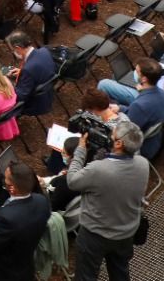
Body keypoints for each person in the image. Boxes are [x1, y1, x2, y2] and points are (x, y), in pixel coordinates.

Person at [66, 118, 149, 281]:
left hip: (94, 235)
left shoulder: (99, 169)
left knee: (86, 276)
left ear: (119, 144)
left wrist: (81, 150)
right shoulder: (143, 164)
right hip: (126, 232)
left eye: (112, 134)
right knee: (120, 272)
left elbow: (72, 181)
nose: (109, 135)